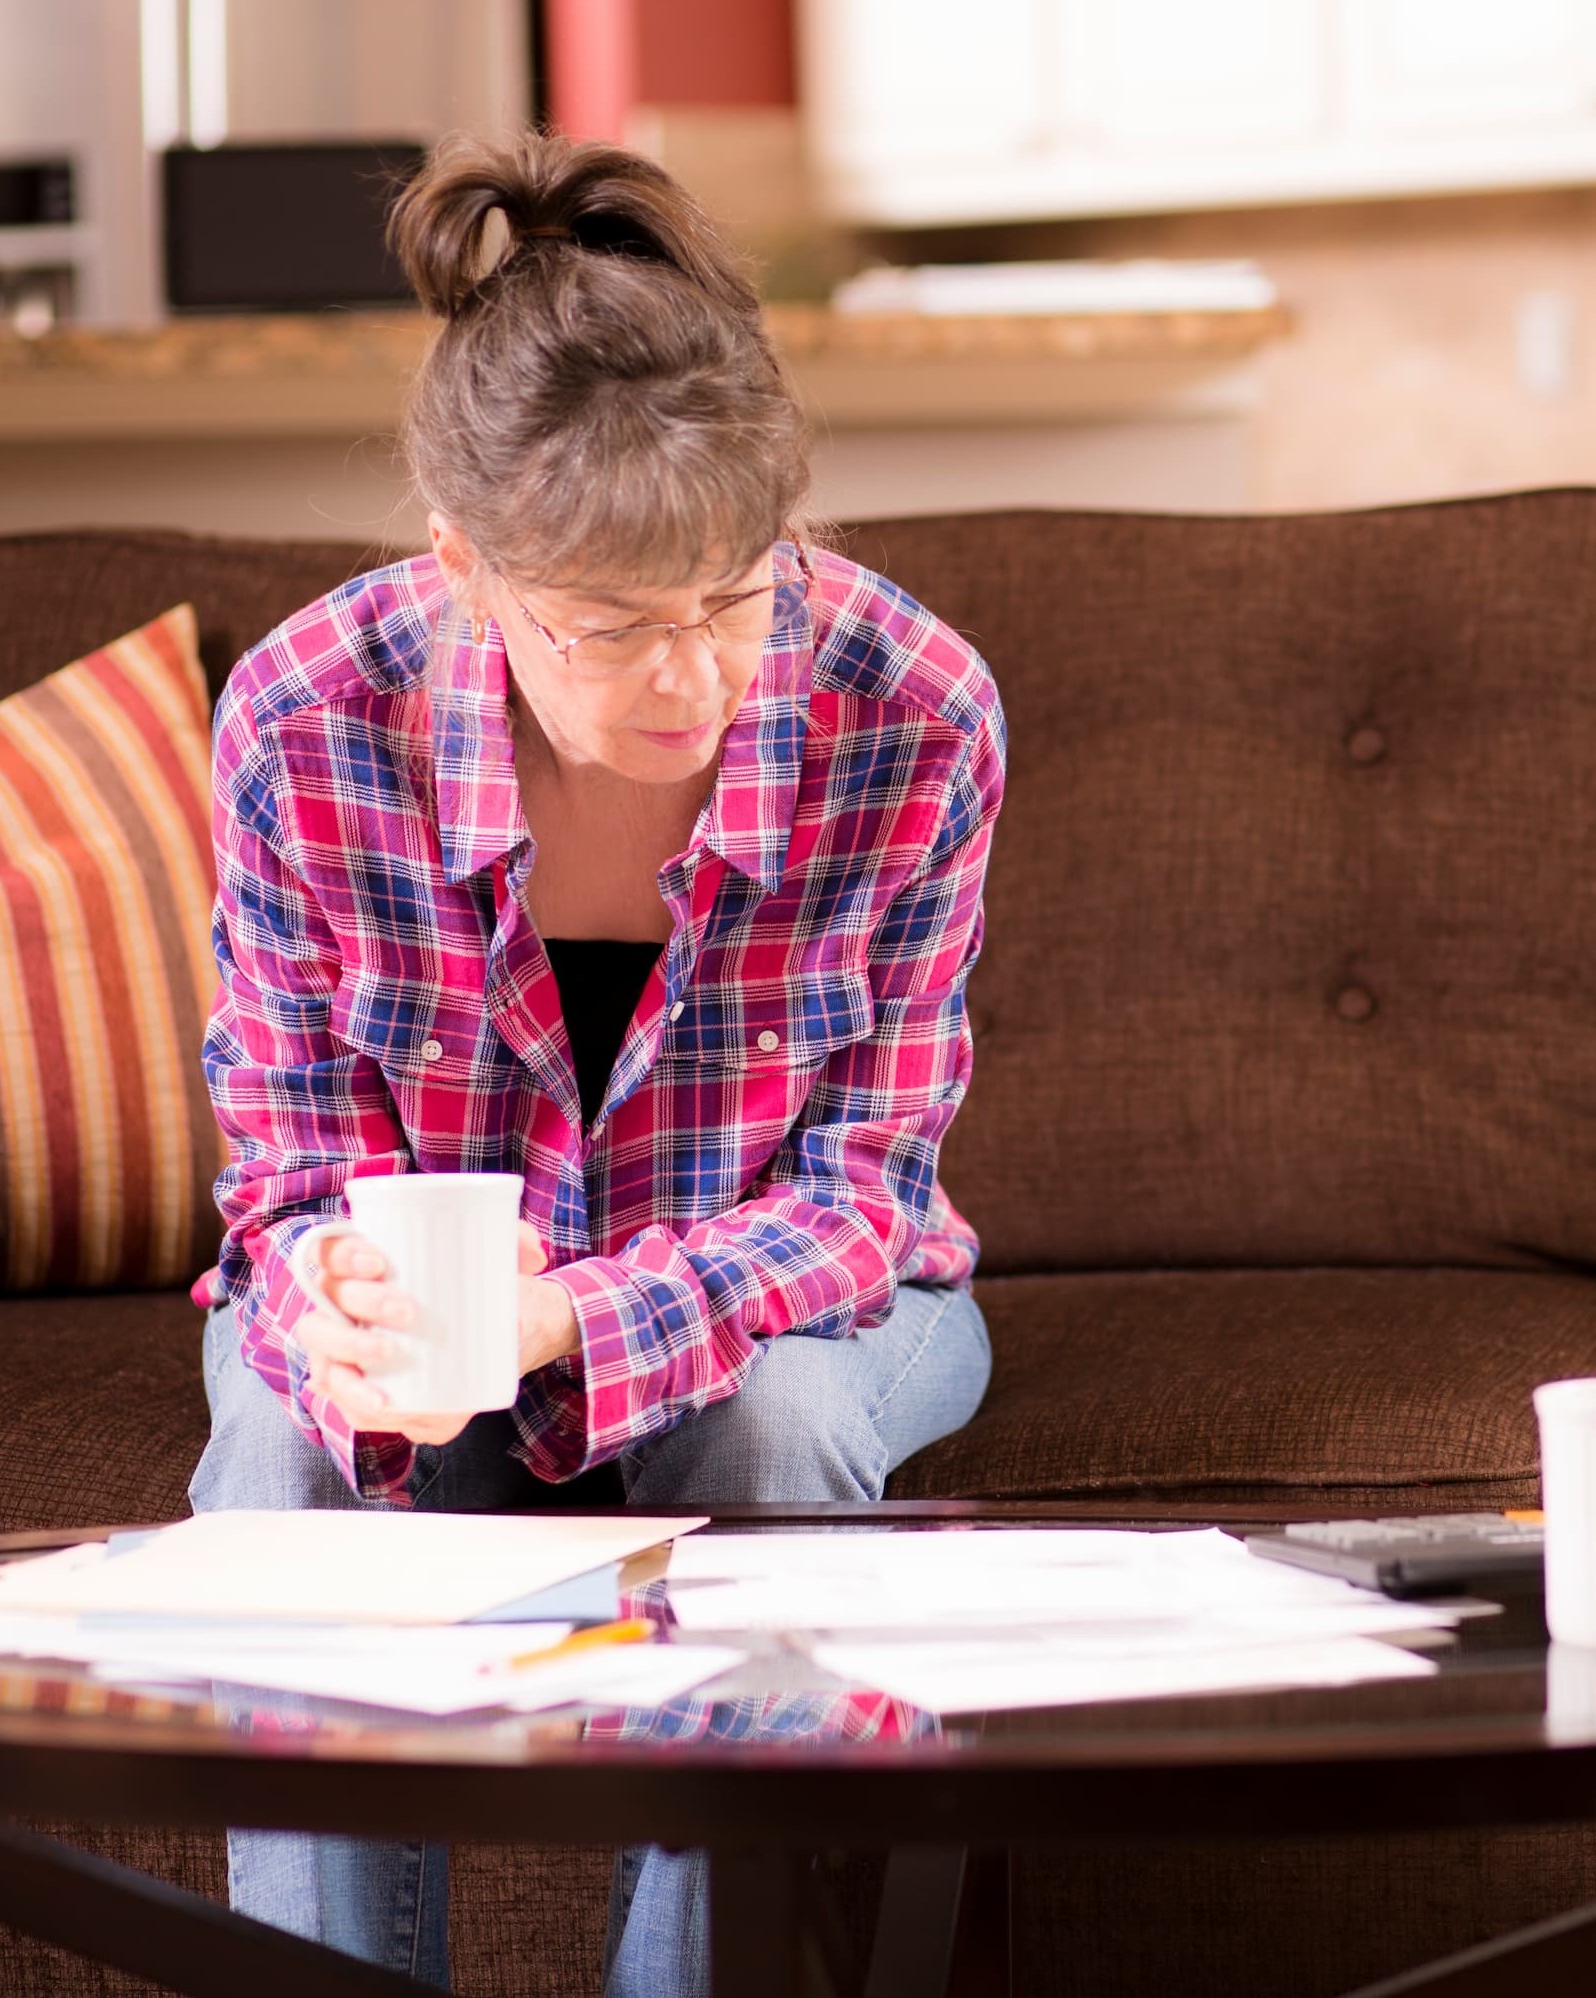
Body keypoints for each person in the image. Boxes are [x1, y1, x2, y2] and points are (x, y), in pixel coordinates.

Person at [186, 127, 1003, 1994]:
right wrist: (339, 1292)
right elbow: (288, 1168)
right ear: (466, 568)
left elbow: (865, 1192)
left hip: (808, 1301)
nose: (695, 683)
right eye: (615, 627)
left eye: (733, 599)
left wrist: (571, 1323)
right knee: (278, 1457)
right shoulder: (308, 717)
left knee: (779, 1427)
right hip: (438, 1321)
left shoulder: (914, 706)